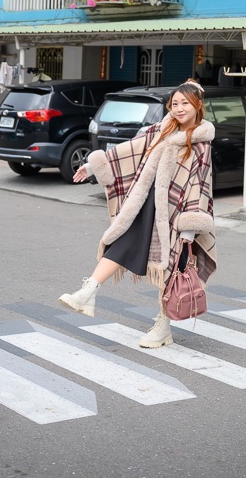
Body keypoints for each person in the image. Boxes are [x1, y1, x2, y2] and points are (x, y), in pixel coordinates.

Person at [58, 80, 217, 348]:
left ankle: (163, 325)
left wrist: (189, 227)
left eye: (185, 103)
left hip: (176, 212)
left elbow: (200, 185)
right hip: (145, 204)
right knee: (122, 242)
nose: (178, 109)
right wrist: (93, 165)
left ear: (198, 106)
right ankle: (88, 292)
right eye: (174, 103)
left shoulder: (201, 145)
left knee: (171, 266)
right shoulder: (163, 129)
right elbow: (132, 148)